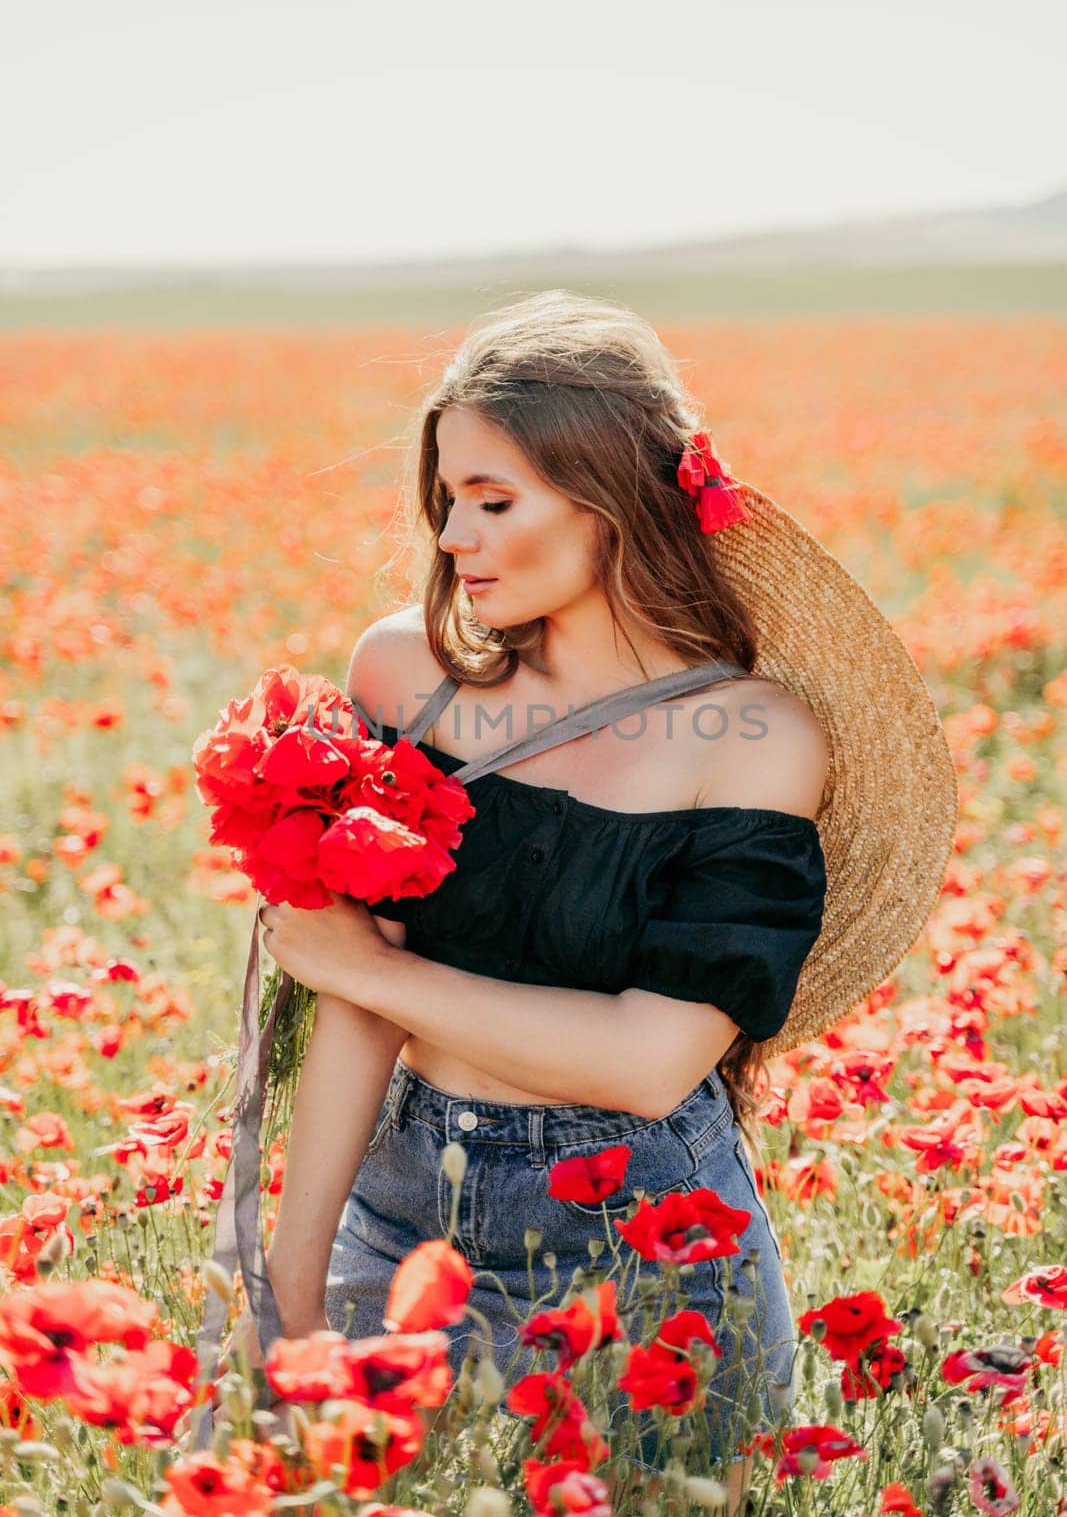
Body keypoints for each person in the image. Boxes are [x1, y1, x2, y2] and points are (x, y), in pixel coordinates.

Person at [201, 290, 958, 1510]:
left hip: (654, 1239)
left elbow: (650, 1059)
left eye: (495, 502)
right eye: (448, 499)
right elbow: (351, 1017)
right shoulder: (407, 677)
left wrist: (369, 967)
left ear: (609, 500)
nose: (455, 534)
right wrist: (281, 1285)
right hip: (402, 1214)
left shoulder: (752, 738)